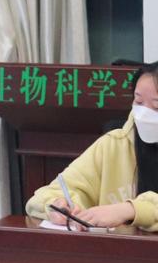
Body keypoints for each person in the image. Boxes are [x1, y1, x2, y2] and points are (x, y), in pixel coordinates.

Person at [26, 61, 158, 231]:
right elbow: (46, 195)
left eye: (156, 106)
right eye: (138, 102)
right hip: (116, 247)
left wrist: (130, 210)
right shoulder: (113, 145)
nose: (144, 114)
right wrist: (59, 205)